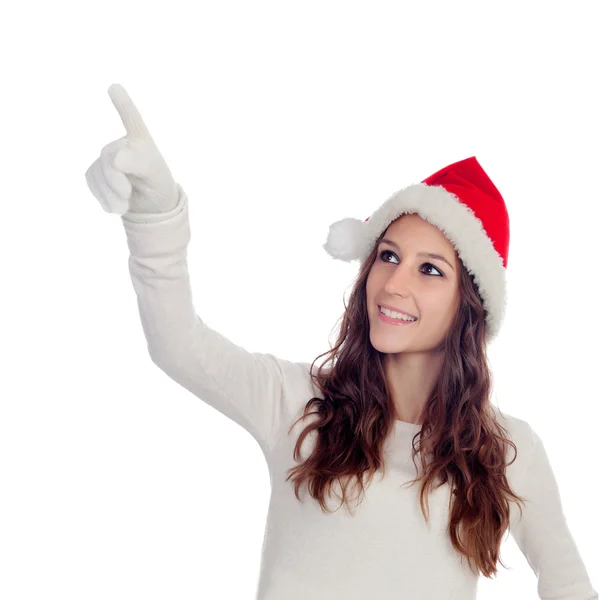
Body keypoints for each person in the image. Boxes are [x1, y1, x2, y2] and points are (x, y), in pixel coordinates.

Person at [84, 83, 598, 600]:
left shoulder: (508, 451)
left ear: (469, 306)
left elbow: (568, 582)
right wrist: (155, 211)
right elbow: (176, 343)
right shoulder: (296, 403)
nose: (394, 284)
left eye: (430, 270)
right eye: (389, 256)